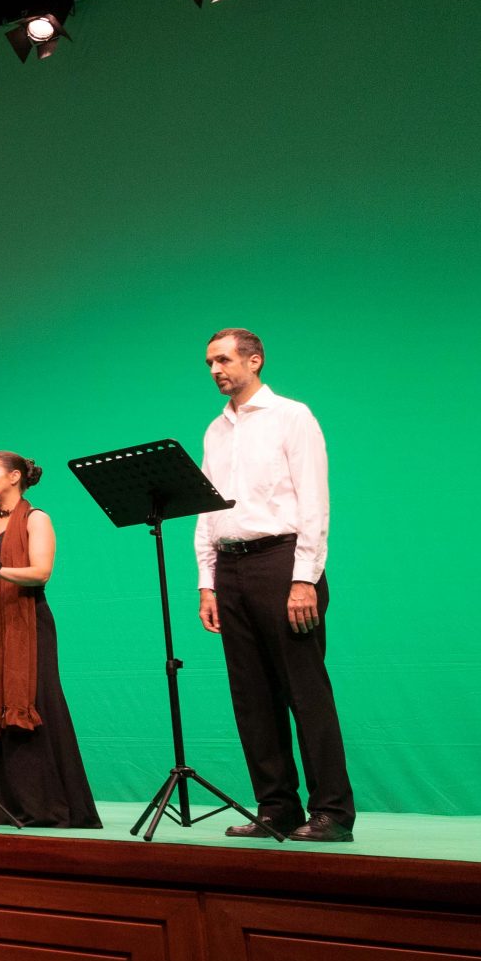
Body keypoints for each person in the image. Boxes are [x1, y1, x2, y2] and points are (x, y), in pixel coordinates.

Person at [195, 328, 352, 841]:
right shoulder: (215, 431)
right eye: (210, 363)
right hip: (230, 567)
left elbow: (314, 502)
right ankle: (277, 807)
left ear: (254, 360)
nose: (215, 370)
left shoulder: (292, 416)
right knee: (252, 697)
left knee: (305, 692)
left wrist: (305, 578)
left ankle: (332, 812)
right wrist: (207, 582)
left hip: (282, 562)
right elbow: (206, 510)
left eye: (223, 360)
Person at [0, 453, 102, 827]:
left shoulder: (36, 518)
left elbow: (40, 572)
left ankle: (47, 806)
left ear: (14, 477)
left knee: (33, 704)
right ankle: (2, 806)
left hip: (27, 626)